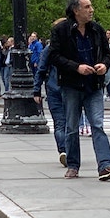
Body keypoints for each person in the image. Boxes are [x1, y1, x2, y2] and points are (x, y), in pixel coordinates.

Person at [50, 0, 110, 181]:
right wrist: (77, 67)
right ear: (76, 10)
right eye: (87, 7)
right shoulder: (61, 31)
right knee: (72, 127)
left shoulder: (97, 30)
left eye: (91, 6)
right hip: (71, 85)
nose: (91, 10)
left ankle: (105, 165)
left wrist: (104, 65)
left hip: (94, 85)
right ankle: (73, 165)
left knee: (97, 125)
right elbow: (55, 57)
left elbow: (107, 53)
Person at [33, 19, 68, 167]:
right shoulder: (71, 47)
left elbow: (41, 69)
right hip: (70, 88)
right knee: (70, 122)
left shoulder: (49, 49)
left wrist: (37, 90)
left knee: (59, 122)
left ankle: (63, 150)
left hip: (53, 88)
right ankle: (69, 150)